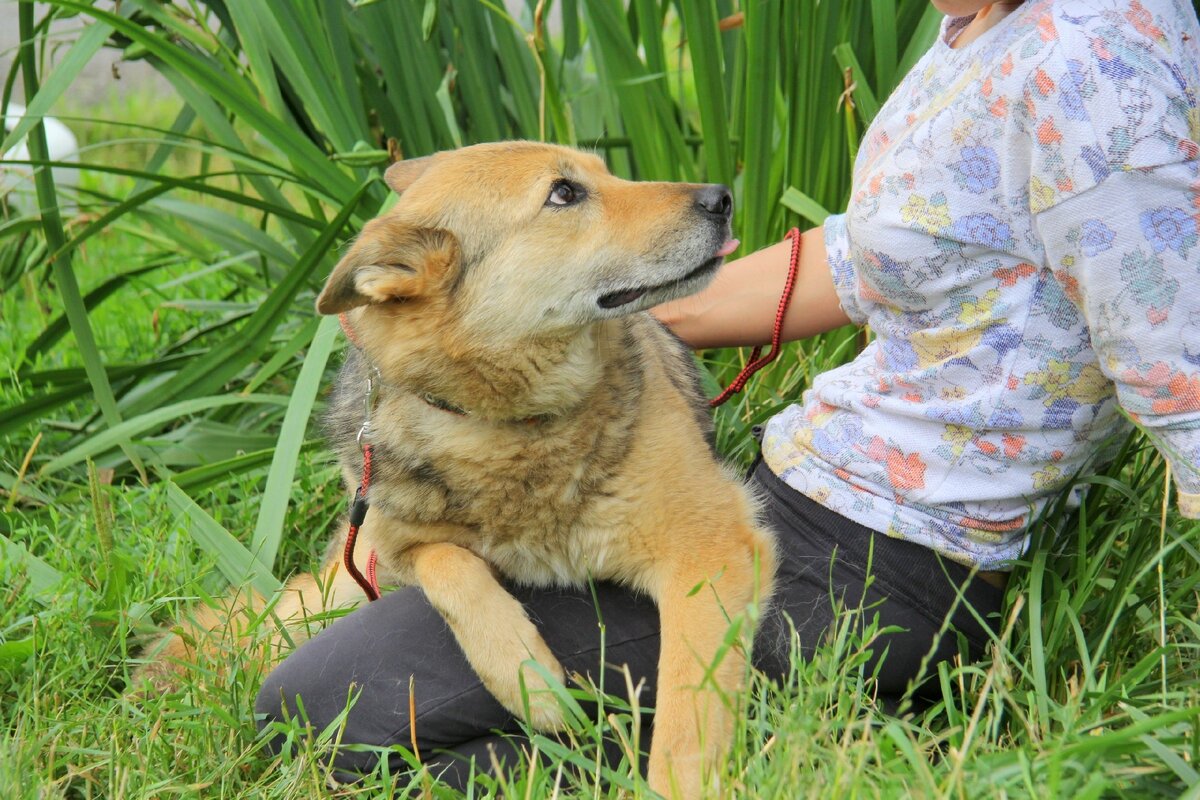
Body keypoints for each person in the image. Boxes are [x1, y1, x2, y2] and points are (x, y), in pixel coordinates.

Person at [256, 0, 1200, 789]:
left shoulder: (1091, 59)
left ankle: (749, 743)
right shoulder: (983, 29)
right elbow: (867, 254)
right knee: (340, 702)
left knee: (333, 714)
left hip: (888, 567)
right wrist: (495, 331)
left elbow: (1179, 367)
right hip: (811, 495)